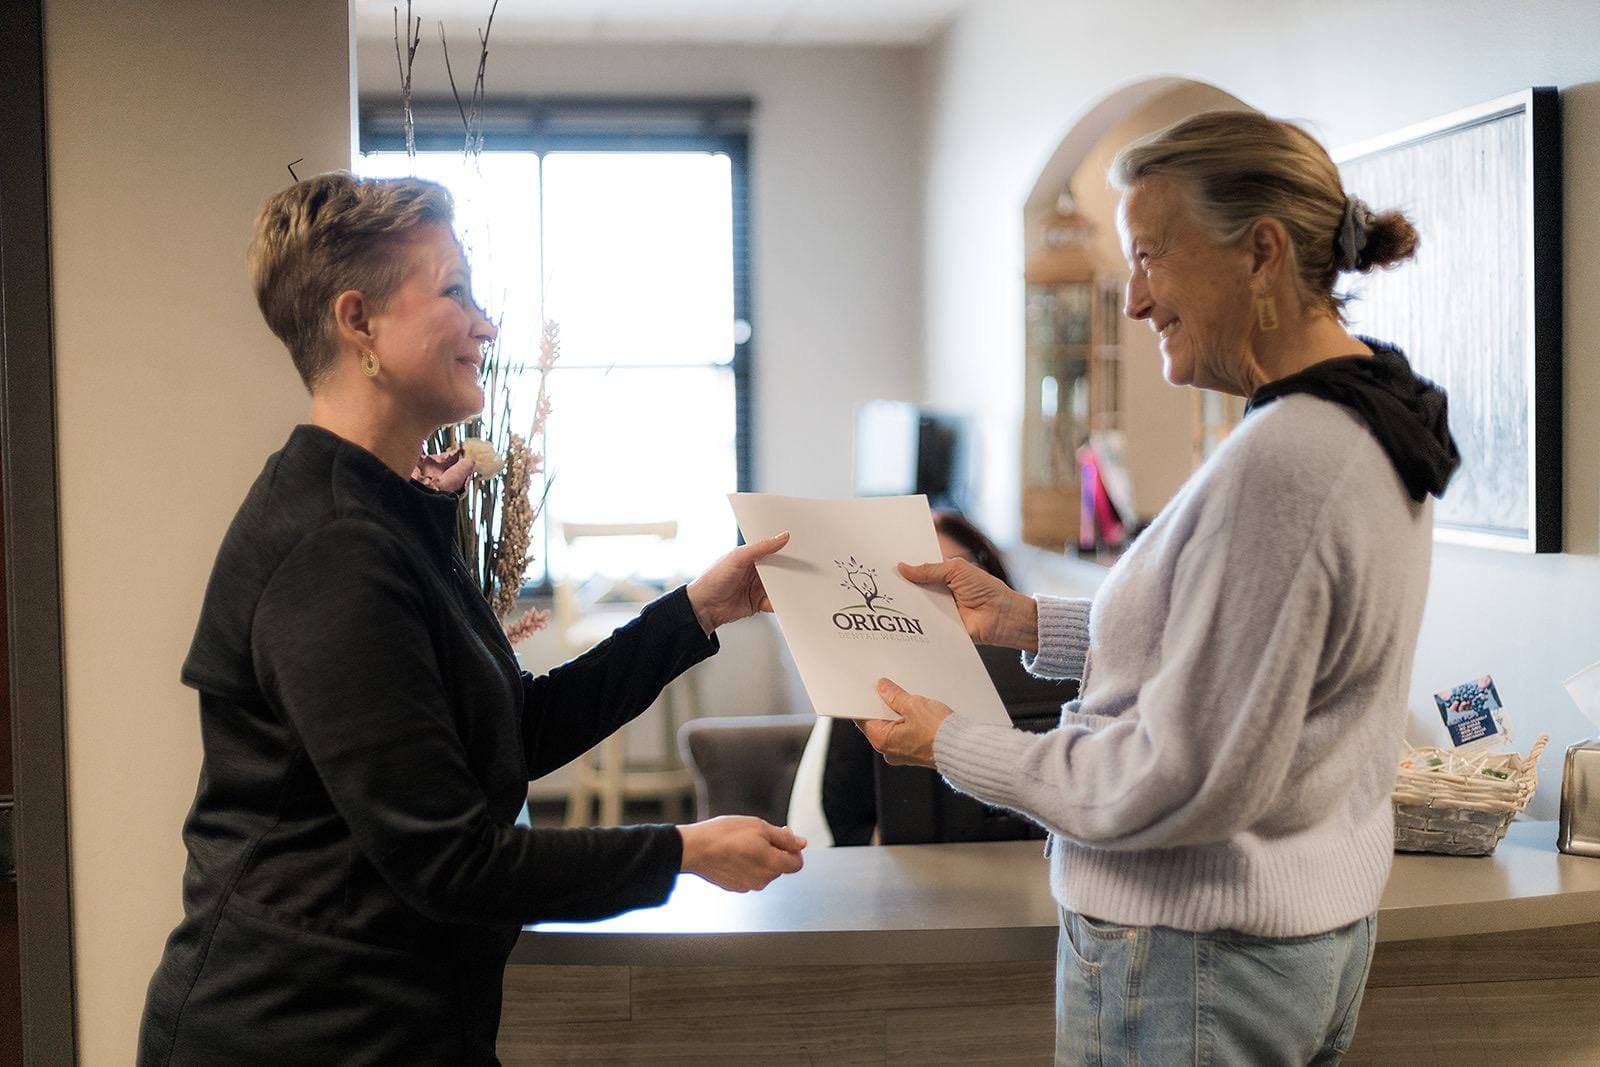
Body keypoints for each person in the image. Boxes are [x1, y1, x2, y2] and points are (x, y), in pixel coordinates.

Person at [139, 172, 806, 1065]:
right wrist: (680, 848)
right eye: (454, 291)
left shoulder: (386, 514)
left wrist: (697, 610)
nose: (486, 325)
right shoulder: (334, 551)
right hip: (297, 1032)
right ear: (358, 323)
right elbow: (451, 863)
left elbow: (510, 731)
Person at [863, 110, 1458, 1065]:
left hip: (1194, 963)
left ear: (1260, 252)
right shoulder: (1369, 418)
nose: (1134, 301)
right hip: (1281, 942)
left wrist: (957, 746)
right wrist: (1026, 619)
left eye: (1150, 256)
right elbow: (1249, 661)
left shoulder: (1286, 462)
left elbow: (1174, 776)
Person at [821, 510, 1071, 845]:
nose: (938, 593)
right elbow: (847, 826)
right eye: (918, 585)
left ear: (989, 573)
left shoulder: (1052, 670)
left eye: (951, 574)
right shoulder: (871, 690)